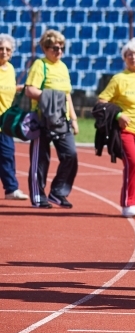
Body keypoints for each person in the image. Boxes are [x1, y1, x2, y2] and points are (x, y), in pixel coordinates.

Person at [97, 39, 135, 218]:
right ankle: (128, 203)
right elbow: (101, 102)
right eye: (129, 54)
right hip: (125, 131)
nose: (133, 57)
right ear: (124, 58)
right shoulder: (118, 79)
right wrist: (119, 115)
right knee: (133, 164)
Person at [25, 29, 79, 209]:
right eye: (55, 48)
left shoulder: (63, 67)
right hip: (42, 118)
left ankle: (58, 192)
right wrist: (51, 97)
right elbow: (30, 90)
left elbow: (67, 95)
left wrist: (73, 118)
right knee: (40, 159)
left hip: (61, 120)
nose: (59, 51)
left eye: (62, 48)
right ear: (45, 48)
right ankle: (38, 195)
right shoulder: (40, 65)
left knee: (70, 154)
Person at [0, 34, 27, 201]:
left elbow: (7, 88)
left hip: (5, 122)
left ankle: (11, 189)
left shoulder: (10, 69)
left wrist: (22, 88)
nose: (4, 52)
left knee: (7, 155)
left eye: (7, 49)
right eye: (1, 48)